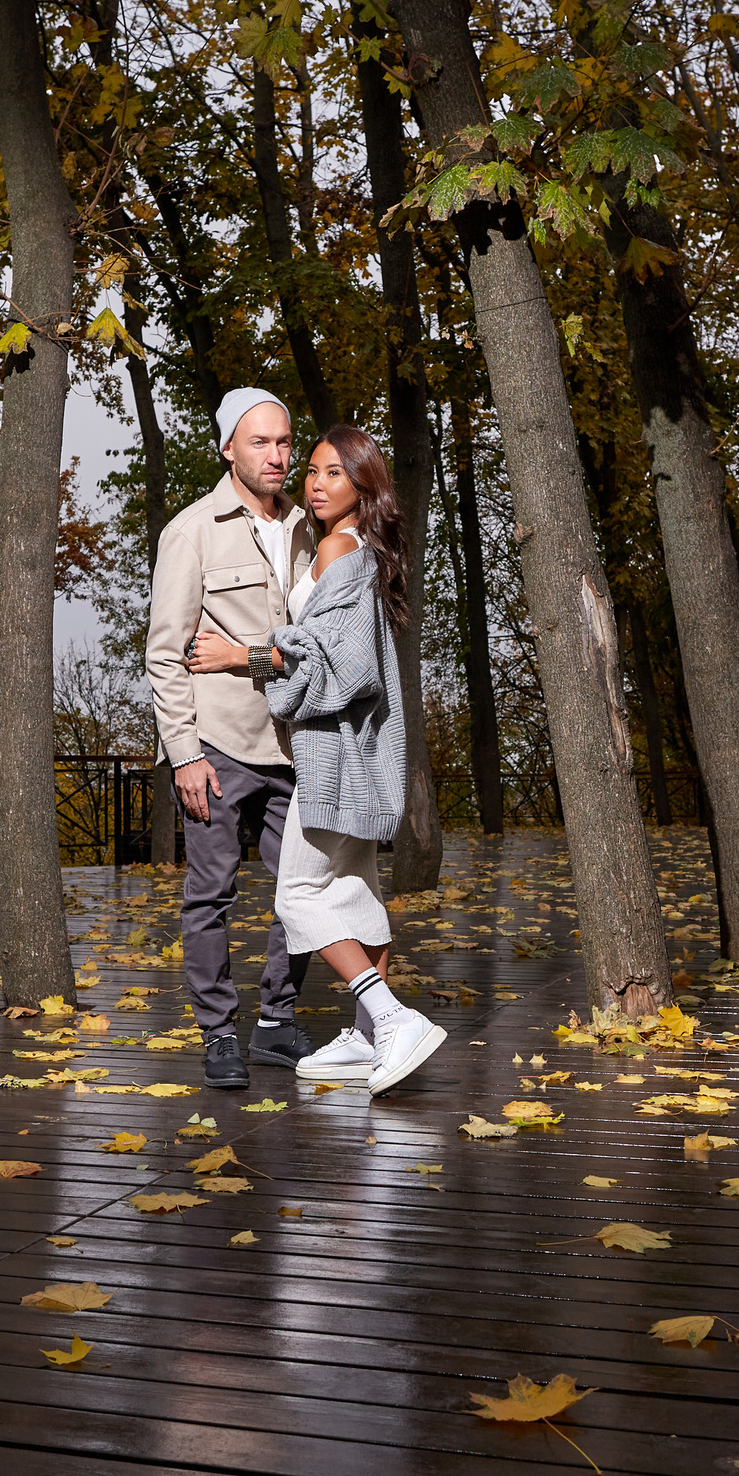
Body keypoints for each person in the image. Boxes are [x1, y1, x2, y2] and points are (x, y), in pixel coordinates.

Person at [188, 425, 446, 1095]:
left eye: (335, 473)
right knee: (355, 890)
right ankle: (366, 1037)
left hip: (333, 752)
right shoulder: (363, 549)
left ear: (364, 486)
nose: (316, 483)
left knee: (297, 893)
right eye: (312, 470)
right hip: (360, 748)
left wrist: (239, 655)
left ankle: (391, 1018)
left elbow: (340, 662)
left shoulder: (338, 548)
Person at [147, 388, 322, 1088]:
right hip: (217, 742)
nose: (277, 455)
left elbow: (314, 644)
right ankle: (219, 1033)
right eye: (260, 442)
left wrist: (244, 654)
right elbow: (166, 654)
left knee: (303, 889)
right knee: (211, 892)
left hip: (295, 743)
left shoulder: (309, 529)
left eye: (284, 441)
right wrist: (184, 753)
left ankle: (276, 1021)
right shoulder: (191, 531)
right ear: (227, 449)